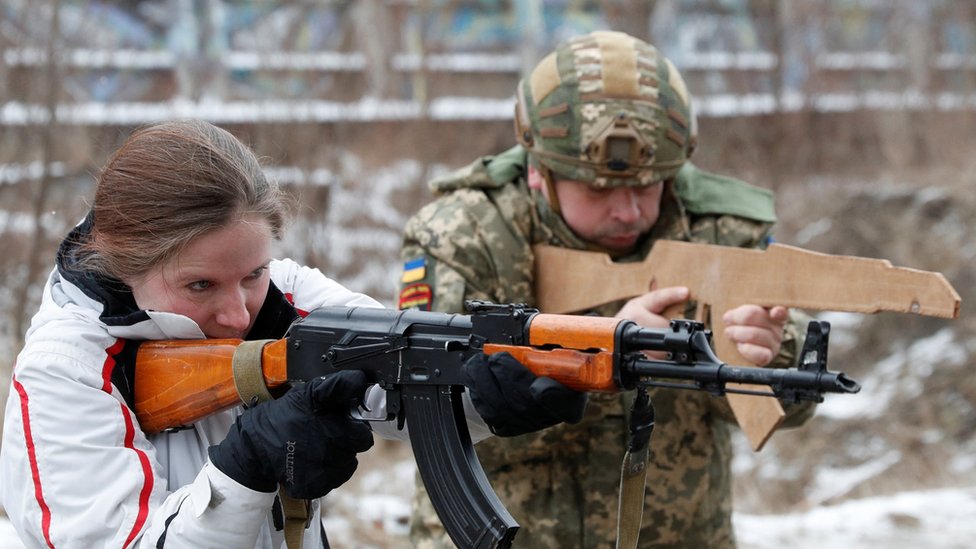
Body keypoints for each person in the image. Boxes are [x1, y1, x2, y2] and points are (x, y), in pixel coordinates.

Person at [0, 119, 587, 548]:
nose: (237, 313)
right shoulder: (65, 368)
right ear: (123, 263)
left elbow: (399, 374)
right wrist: (246, 467)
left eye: (252, 273)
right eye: (200, 285)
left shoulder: (285, 296)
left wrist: (484, 394)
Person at [398, 30, 817, 548]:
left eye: (647, 185)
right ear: (539, 172)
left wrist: (769, 354)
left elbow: (792, 408)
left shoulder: (719, 227)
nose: (629, 210)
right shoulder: (466, 235)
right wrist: (599, 355)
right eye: (599, 188)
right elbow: (422, 411)